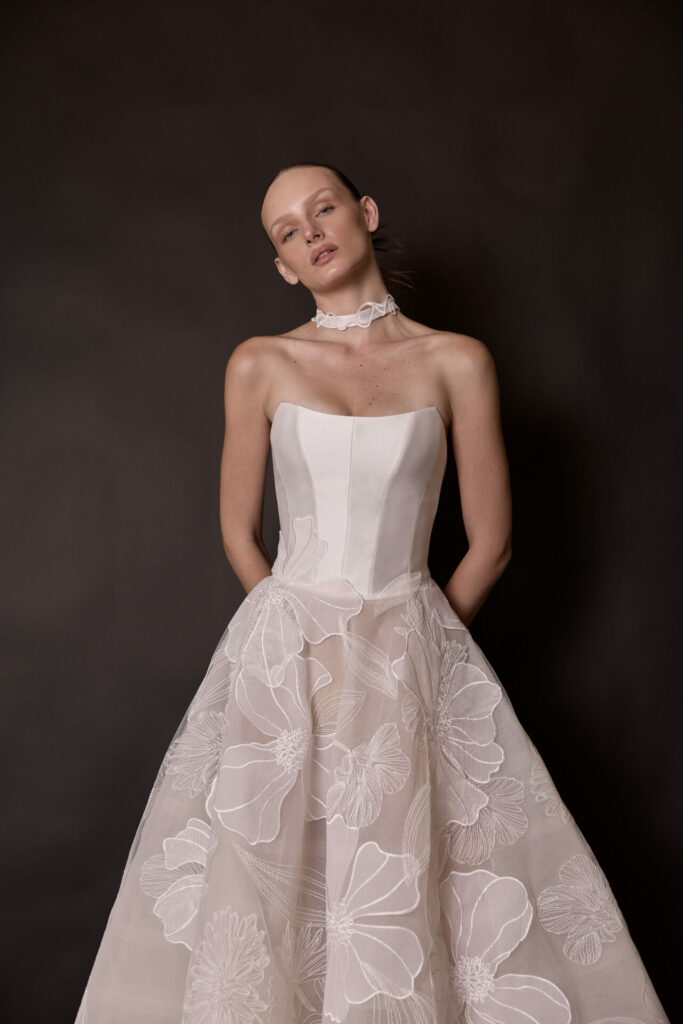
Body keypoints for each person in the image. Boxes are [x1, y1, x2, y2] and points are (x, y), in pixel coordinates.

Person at [74, 162, 669, 1023]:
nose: (309, 231)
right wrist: (293, 637)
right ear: (282, 265)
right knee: (273, 895)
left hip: (412, 658)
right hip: (287, 669)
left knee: (412, 892)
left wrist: (411, 652)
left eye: (322, 209)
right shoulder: (259, 365)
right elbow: (242, 534)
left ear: (365, 213)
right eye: (286, 230)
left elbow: (492, 543)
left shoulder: (457, 362)